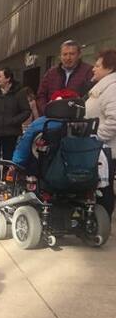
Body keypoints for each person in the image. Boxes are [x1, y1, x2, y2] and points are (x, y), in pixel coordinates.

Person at [0, 68, 30, 193]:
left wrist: (14, 121)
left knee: (8, 158)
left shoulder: (19, 93)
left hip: (11, 132)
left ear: (8, 78)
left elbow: (26, 111)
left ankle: (6, 182)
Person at [85, 49, 116, 216]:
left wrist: (96, 138)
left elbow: (114, 120)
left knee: (104, 189)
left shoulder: (112, 88)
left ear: (109, 68)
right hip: (99, 148)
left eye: (97, 66)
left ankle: (102, 221)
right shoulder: (102, 88)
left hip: (107, 149)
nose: (93, 69)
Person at [37, 39, 93, 113]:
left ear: (79, 55)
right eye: (65, 54)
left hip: (77, 116)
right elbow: (41, 95)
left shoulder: (88, 71)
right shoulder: (51, 73)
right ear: (60, 56)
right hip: (52, 115)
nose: (68, 58)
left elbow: (91, 95)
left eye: (72, 54)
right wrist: (46, 110)